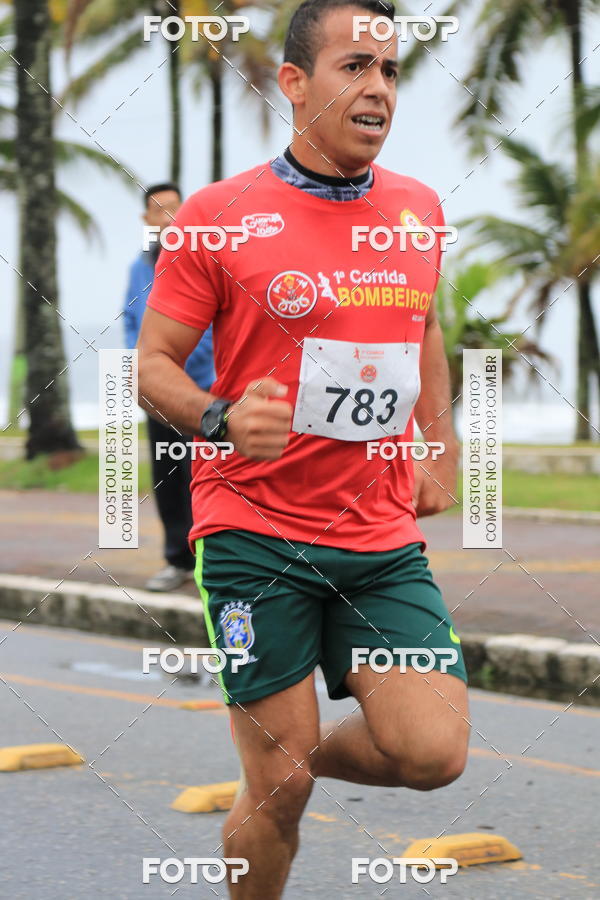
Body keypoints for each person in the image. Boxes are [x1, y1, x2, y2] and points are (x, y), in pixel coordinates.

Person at [138, 1, 469, 895]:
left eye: (391, 71)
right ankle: (276, 765)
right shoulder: (218, 214)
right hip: (253, 535)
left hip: (378, 540)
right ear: (294, 82)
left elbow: (424, 330)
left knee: (434, 751)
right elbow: (153, 365)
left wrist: (440, 451)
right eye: (354, 66)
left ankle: (284, 752)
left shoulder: (417, 209)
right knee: (276, 790)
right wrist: (217, 418)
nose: (378, 89)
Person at [123, 182, 215, 592]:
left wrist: (173, 361)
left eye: (175, 208)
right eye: (159, 210)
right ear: (146, 220)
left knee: (207, 475)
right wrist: (143, 366)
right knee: (167, 477)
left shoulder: (202, 258)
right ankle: (177, 560)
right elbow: (130, 322)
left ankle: (211, 563)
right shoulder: (138, 268)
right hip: (156, 393)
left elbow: (212, 328)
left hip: (201, 391)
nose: (168, 217)